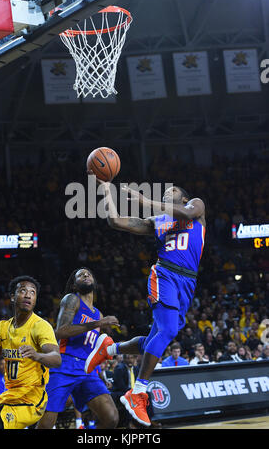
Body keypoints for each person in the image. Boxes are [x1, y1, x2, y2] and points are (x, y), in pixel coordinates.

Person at [85, 179, 206, 426]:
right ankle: (138, 392)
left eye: (171, 191)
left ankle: (108, 349)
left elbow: (186, 212)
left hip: (188, 282)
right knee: (168, 330)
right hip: (165, 274)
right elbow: (116, 221)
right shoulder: (159, 222)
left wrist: (145, 201)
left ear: (183, 197)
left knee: (154, 341)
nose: (166, 194)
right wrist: (106, 187)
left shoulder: (195, 206)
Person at [0, 276, 61, 429]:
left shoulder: (40, 326)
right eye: (23, 290)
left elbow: (56, 359)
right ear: (12, 297)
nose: (28, 295)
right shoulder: (2, 328)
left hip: (31, 401)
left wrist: (37, 355)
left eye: (33, 293)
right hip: (9, 396)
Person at [36, 267, 119, 429]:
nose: (86, 275)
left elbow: (94, 349)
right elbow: (59, 332)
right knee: (46, 424)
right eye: (80, 275)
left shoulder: (99, 314)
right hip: (64, 365)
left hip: (88, 370)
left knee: (111, 418)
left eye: (88, 273)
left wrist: (100, 375)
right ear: (74, 285)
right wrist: (98, 324)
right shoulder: (72, 299)